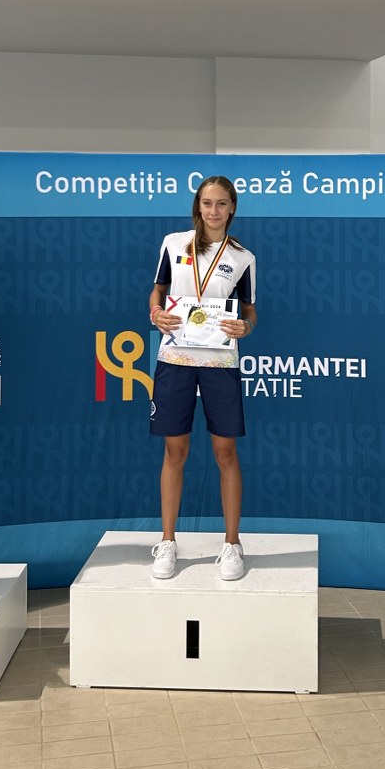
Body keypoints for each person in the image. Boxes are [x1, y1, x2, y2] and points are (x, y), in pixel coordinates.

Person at [148, 176, 257, 581]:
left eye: (222, 203)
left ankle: (232, 544)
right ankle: (167, 541)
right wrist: (155, 313)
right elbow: (157, 291)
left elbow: (250, 311)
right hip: (175, 356)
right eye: (207, 203)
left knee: (225, 452)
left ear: (232, 208)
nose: (214, 211)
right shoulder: (174, 243)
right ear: (198, 207)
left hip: (219, 360)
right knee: (174, 451)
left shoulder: (243, 257)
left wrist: (246, 327)